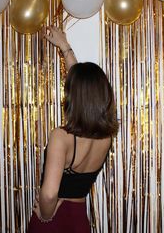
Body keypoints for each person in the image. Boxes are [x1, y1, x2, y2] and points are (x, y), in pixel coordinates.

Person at [27, 26, 118, 233]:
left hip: (53, 219)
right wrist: (65, 47)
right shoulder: (106, 137)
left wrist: (46, 216)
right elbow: (82, 88)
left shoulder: (61, 136)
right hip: (79, 220)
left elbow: (49, 194)